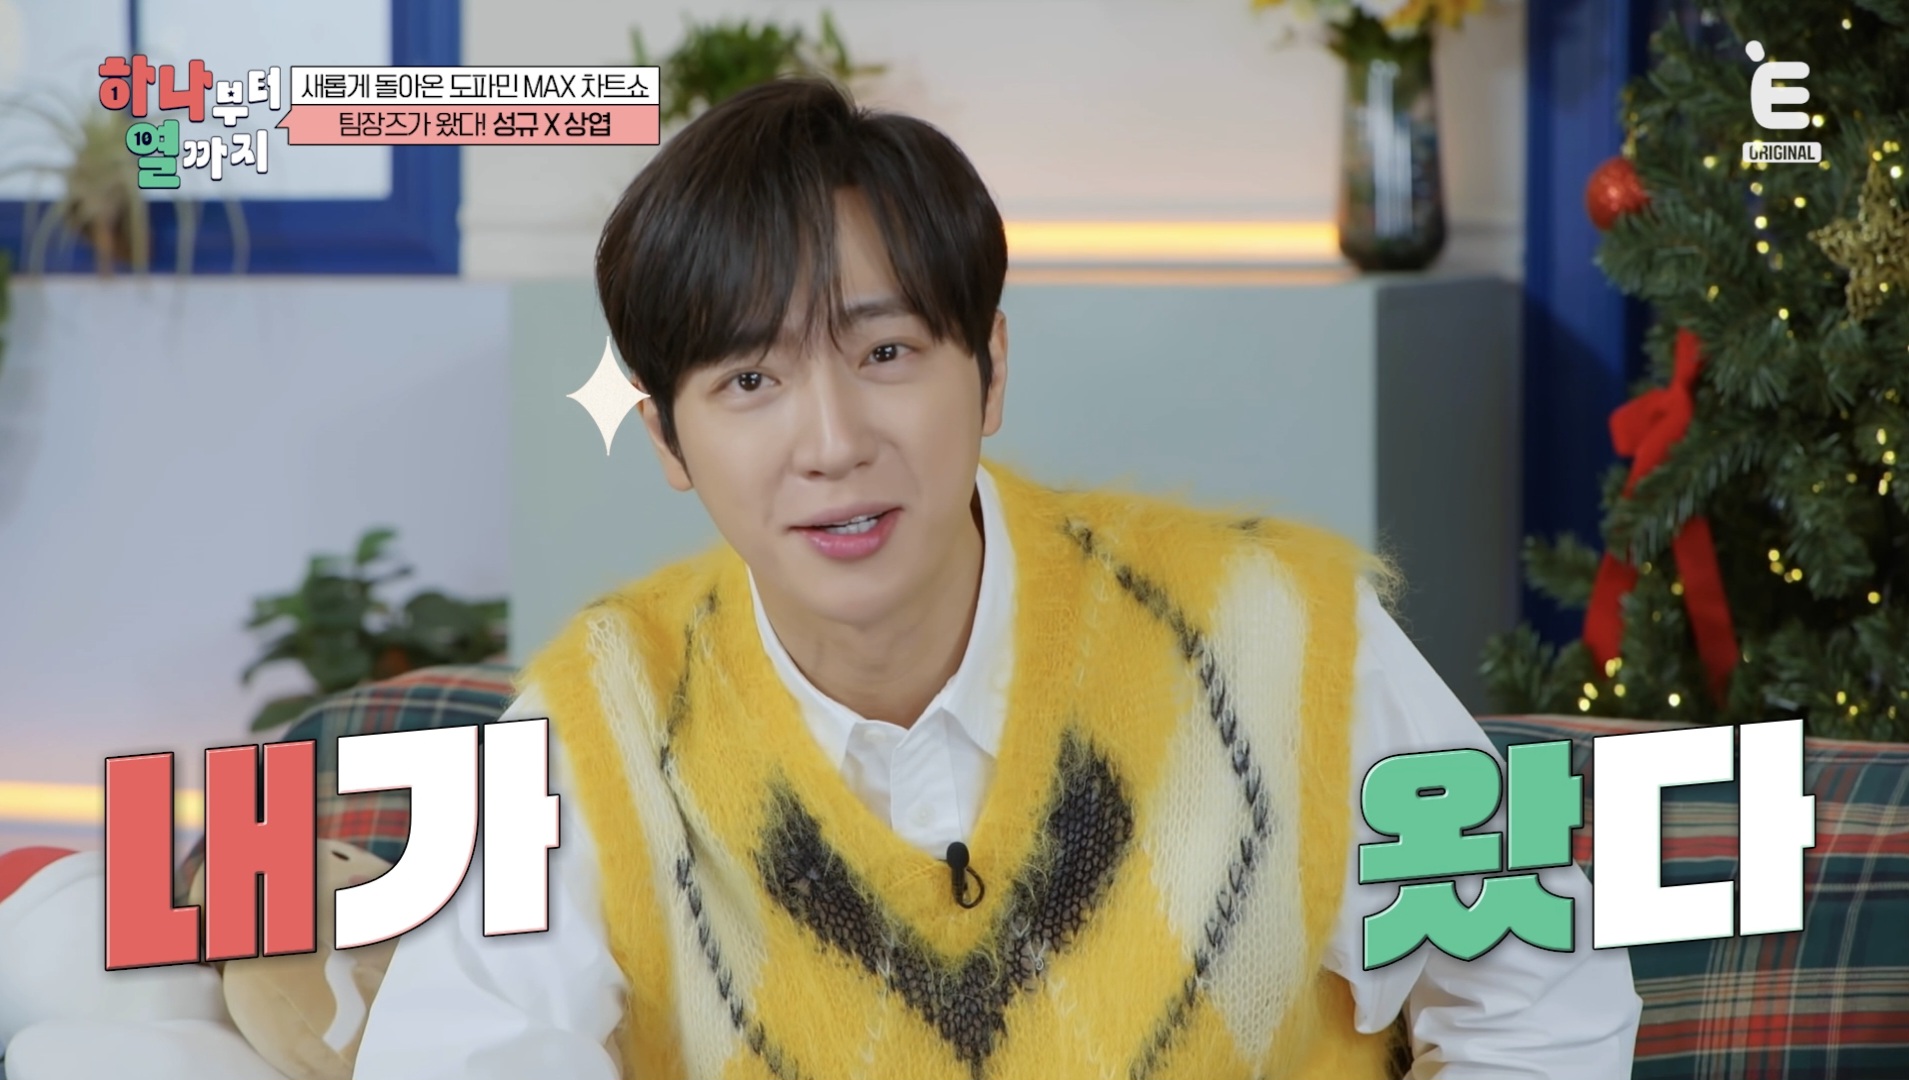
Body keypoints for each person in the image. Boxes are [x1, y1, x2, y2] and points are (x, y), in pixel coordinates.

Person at [355, 77, 1642, 1080]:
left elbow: (1543, 996)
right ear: (666, 441)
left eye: (886, 352)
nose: (831, 442)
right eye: (749, 380)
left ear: (991, 370)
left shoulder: (1278, 636)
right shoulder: (599, 724)